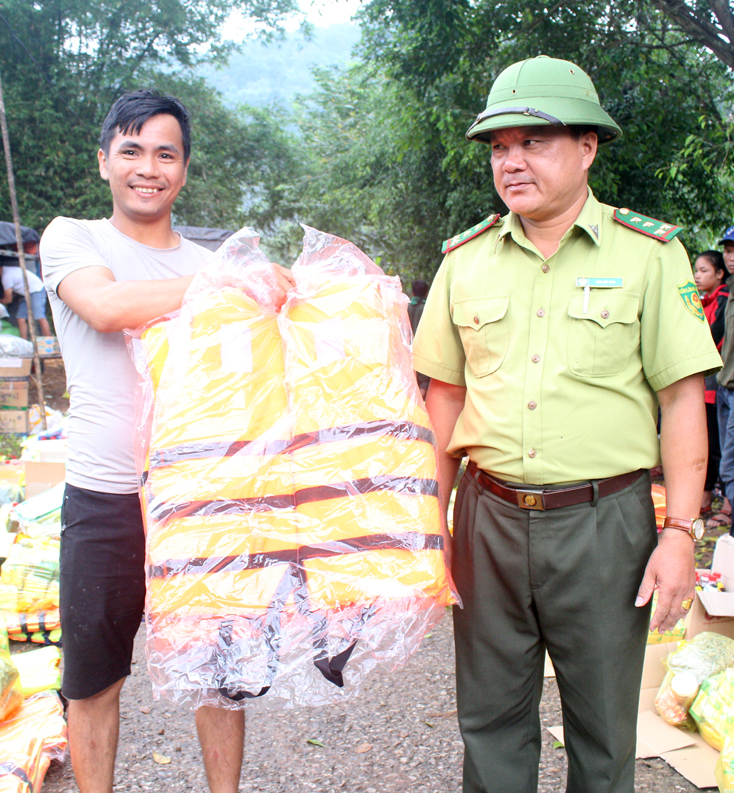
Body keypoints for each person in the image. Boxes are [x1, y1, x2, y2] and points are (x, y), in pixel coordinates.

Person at [413, 56, 721, 793]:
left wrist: (680, 533)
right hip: (486, 517)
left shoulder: (648, 253)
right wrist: (432, 524)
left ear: (587, 148)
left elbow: (682, 400)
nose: (511, 161)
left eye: (534, 142)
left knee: (604, 729)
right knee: (488, 722)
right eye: (499, 146)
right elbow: (443, 402)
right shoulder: (465, 260)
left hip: (604, 523)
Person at [40, 89, 294, 793]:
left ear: (183, 168)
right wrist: (231, 280)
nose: (147, 168)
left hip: (206, 498)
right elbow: (108, 306)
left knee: (219, 676)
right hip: (106, 495)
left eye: (165, 153)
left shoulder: (213, 255)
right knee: (93, 680)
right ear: (103, 162)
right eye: (131, 150)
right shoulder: (75, 238)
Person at [695, 250, 729, 516]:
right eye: (696, 270)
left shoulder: (724, 298)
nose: (697, 275)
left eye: (703, 270)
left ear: (719, 274)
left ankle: (712, 497)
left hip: (715, 382)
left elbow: (712, 335)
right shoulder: (702, 301)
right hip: (706, 383)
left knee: (716, 444)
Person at [715, 225, 734, 538]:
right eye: (728, 250)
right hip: (723, 385)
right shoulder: (729, 288)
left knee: (730, 465)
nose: (731, 257)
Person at [0, 264, 52, 339]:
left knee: (40, 317)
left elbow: (8, 300)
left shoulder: (6, 277)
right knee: (20, 318)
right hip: (26, 294)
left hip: (36, 290)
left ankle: (49, 342)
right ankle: (25, 341)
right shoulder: (8, 270)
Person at [407, 279, 430, 398]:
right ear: (426, 293)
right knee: (424, 379)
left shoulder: (406, 307)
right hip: (423, 348)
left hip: (407, 348)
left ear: (413, 292)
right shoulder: (427, 309)